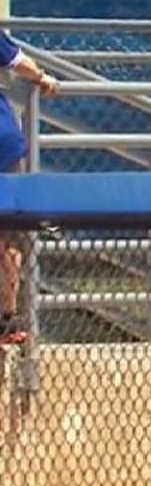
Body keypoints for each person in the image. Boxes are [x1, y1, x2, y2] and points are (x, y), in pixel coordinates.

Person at [0, 32, 60, 346]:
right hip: (5, 143)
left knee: (8, 239)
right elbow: (22, 64)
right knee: (7, 238)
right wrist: (42, 77)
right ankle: (6, 321)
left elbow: (18, 61)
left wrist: (38, 74)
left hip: (4, 145)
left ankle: (6, 321)